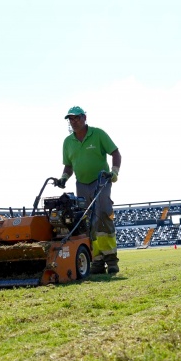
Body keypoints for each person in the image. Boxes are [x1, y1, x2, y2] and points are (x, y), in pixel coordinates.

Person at [54, 106, 121, 274]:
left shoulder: (97, 134)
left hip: (101, 181)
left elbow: (116, 153)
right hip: (81, 184)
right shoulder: (68, 142)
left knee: (104, 214)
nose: (73, 121)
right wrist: (63, 178)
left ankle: (111, 259)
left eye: (76, 118)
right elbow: (68, 166)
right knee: (87, 222)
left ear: (84, 117)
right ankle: (97, 259)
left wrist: (114, 172)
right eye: (70, 119)